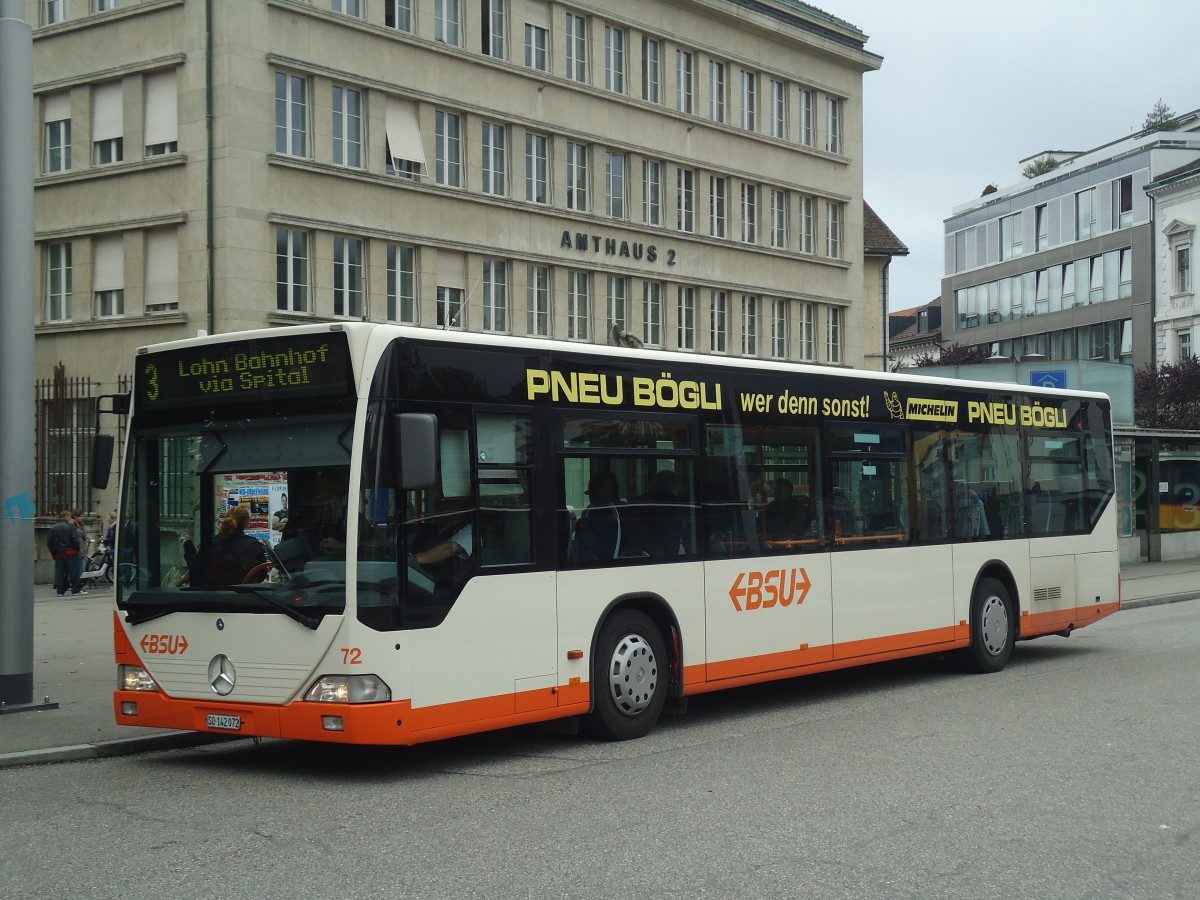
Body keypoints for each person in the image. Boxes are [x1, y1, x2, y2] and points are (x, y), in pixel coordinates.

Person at [189, 506, 268, 586]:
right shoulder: (252, 545)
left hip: (210, 595)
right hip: (242, 595)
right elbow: (260, 573)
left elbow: (196, 568)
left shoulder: (210, 543)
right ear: (246, 522)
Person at [47, 509, 84, 597]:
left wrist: (54, 553)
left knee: (60, 572)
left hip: (59, 553)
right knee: (73, 572)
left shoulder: (54, 527)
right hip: (71, 552)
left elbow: (50, 542)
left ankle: (60, 590)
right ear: (66, 517)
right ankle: (75, 590)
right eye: (69, 516)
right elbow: (75, 539)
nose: (70, 518)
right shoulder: (71, 527)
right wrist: (76, 549)